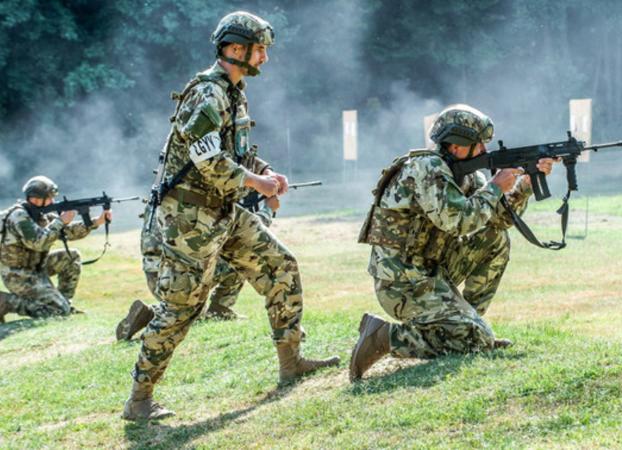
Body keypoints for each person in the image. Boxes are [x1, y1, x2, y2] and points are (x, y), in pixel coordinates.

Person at [123, 11, 338, 421]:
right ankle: (138, 401)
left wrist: (266, 172)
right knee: (182, 308)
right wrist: (257, 185)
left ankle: (291, 362)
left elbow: (237, 154)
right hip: (188, 219)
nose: (265, 59)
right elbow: (209, 162)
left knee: (280, 266)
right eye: (260, 50)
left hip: (221, 210)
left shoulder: (233, 93)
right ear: (234, 49)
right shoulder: (207, 94)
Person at [349, 104, 556, 381]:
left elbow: (498, 220)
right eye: (478, 144)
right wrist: (495, 187)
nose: (484, 150)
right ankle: (385, 337)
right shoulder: (427, 168)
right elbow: (458, 221)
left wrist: (526, 184)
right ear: (458, 145)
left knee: (495, 239)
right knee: (475, 339)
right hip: (401, 284)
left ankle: (469, 325)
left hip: (431, 273)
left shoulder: (466, 174)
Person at [114, 198, 277, 341]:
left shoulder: (161, 194)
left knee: (190, 310)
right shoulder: (195, 198)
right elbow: (242, 232)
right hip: (178, 274)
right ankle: (218, 309)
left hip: (155, 275)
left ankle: (150, 313)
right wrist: (268, 209)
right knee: (240, 257)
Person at [0, 176, 111, 322]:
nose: (52, 201)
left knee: (71, 257)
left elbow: (68, 232)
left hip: (37, 267)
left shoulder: (41, 214)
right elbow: (39, 243)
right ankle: (6, 302)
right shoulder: (19, 216)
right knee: (57, 312)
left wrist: (96, 222)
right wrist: (60, 221)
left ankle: (64, 303)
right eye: (49, 197)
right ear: (37, 199)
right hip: (19, 275)